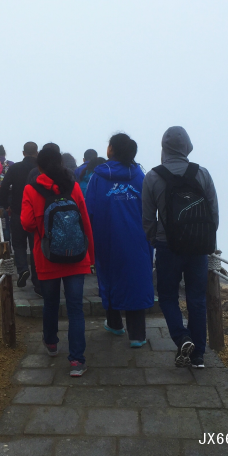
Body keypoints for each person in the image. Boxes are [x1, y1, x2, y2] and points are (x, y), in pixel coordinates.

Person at [142, 126, 219, 369]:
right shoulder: (202, 173)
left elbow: (147, 219)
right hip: (198, 248)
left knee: (167, 297)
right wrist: (206, 241)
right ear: (187, 147)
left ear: (164, 149)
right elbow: (213, 214)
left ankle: (182, 337)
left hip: (168, 247)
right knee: (196, 299)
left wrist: (155, 240)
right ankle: (198, 357)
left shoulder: (153, 177)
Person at [21, 146, 95, 377]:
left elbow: (27, 224)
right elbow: (85, 221)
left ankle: (52, 343)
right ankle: (77, 361)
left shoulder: (31, 189)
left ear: (39, 167)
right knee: (75, 308)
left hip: (46, 257)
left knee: (51, 303)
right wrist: (90, 256)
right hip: (76, 257)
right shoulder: (72, 186)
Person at [86, 133, 154, 347]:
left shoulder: (98, 177)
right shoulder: (140, 176)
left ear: (111, 150)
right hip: (138, 239)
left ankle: (115, 324)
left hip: (107, 239)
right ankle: (137, 335)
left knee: (110, 278)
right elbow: (150, 211)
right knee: (136, 280)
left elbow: (89, 212)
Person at [0, 142, 40, 293]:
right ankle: (38, 282)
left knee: (19, 243)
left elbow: (3, 187)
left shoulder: (15, 168)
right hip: (36, 214)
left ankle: (22, 269)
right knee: (35, 246)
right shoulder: (40, 169)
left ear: (23, 153)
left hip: (18, 211)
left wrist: (5, 204)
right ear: (36, 152)